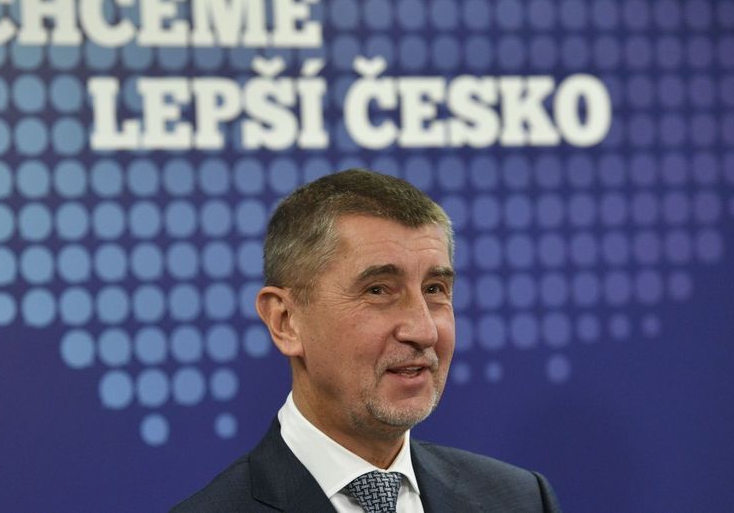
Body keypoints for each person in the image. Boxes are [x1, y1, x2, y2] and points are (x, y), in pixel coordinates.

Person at [172, 169, 561, 512]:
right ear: (285, 321)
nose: (424, 331)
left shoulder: (521, 500)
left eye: (435, 289)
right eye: (378, 290)